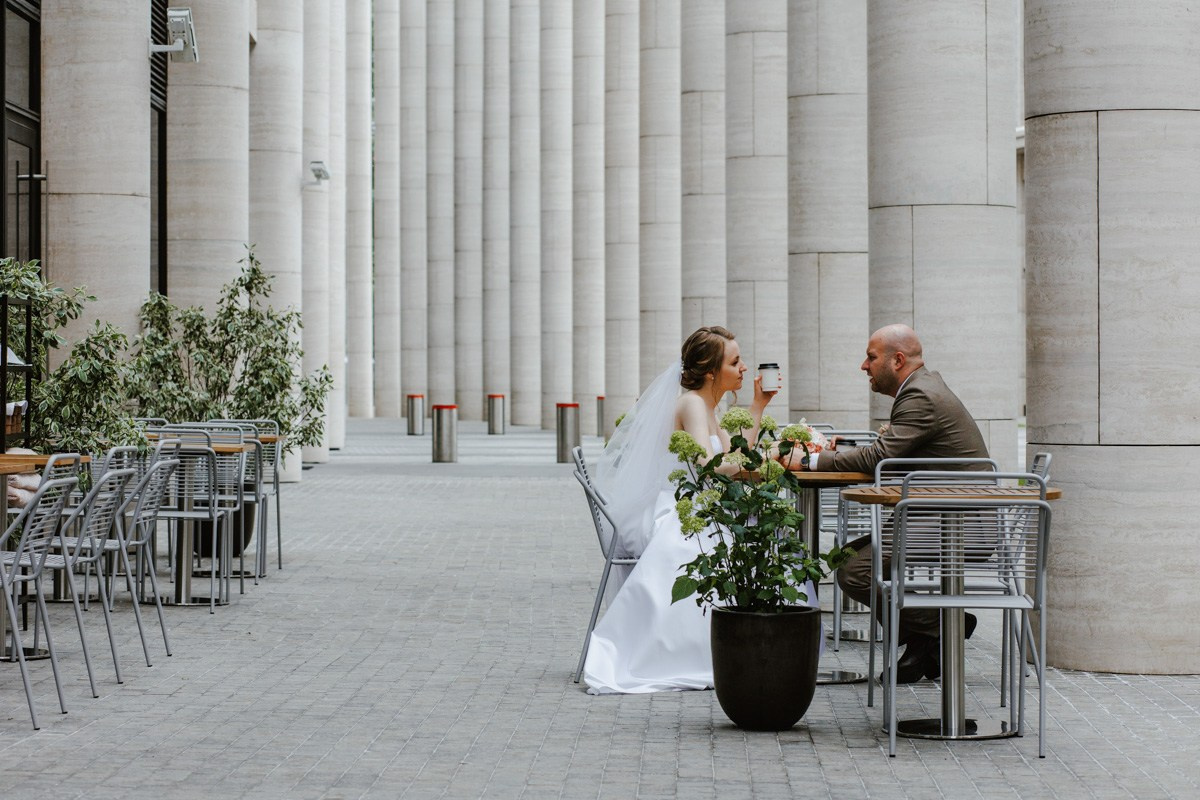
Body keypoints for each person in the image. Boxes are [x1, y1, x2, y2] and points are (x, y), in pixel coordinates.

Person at [582, 326, 780, 694]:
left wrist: (758, 406)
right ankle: (704, 650)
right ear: (711, 372)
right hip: (674, 507)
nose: (744, 368)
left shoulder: (708, 406)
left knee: (753, 537)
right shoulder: (692, 404)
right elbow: (709, 466)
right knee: (726, 544)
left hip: (694, 504)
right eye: (735, 362)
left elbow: (737, 456)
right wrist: (766, 460)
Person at [796, 324, 989, 684]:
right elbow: (896, 458)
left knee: (854, 570)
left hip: (959, 524)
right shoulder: (921, 388)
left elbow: (879, 458)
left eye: (871, 357)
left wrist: (811, 461)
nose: (863, 366)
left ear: (897, 360)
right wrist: (845, 451)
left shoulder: (920, 395)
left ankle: (944, 623)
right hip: (941, 516)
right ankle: (925, 641)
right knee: (847, 560)